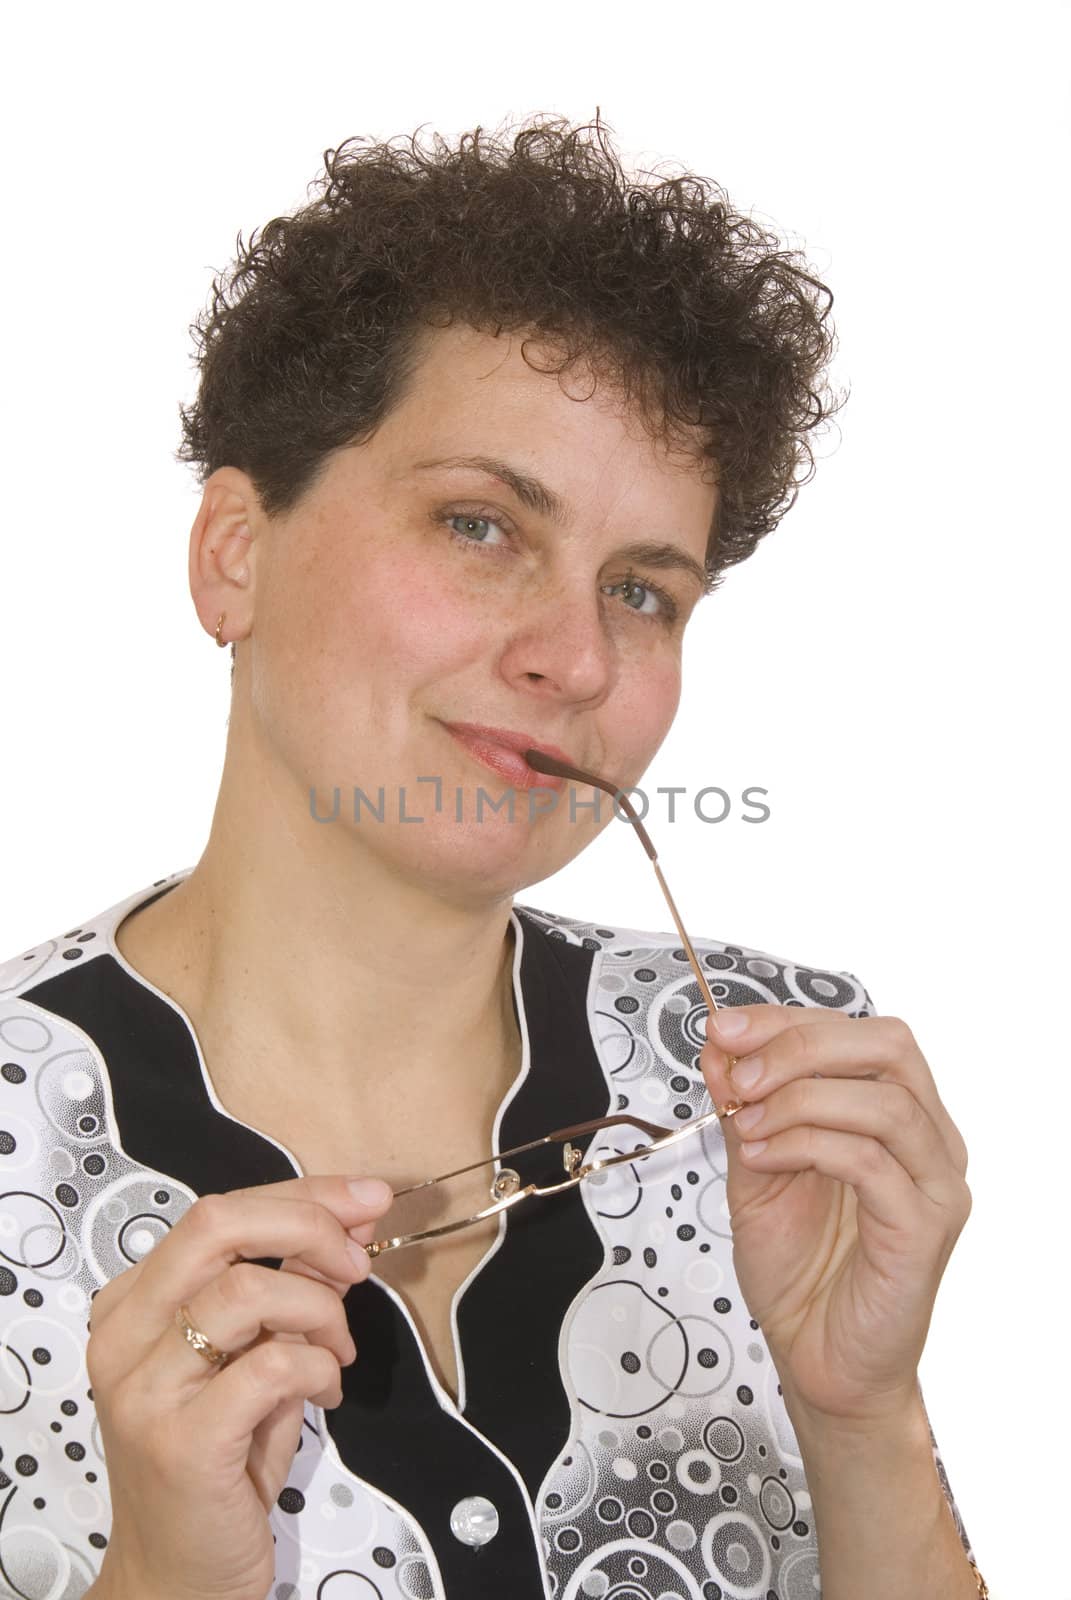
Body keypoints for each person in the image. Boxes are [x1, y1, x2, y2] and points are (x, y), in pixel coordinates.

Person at [0, 114, 987, 1600]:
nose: (576, 657)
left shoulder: (781, 1091)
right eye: (480, 524)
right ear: (234, 553)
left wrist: (863, 1414)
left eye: (644, 593)